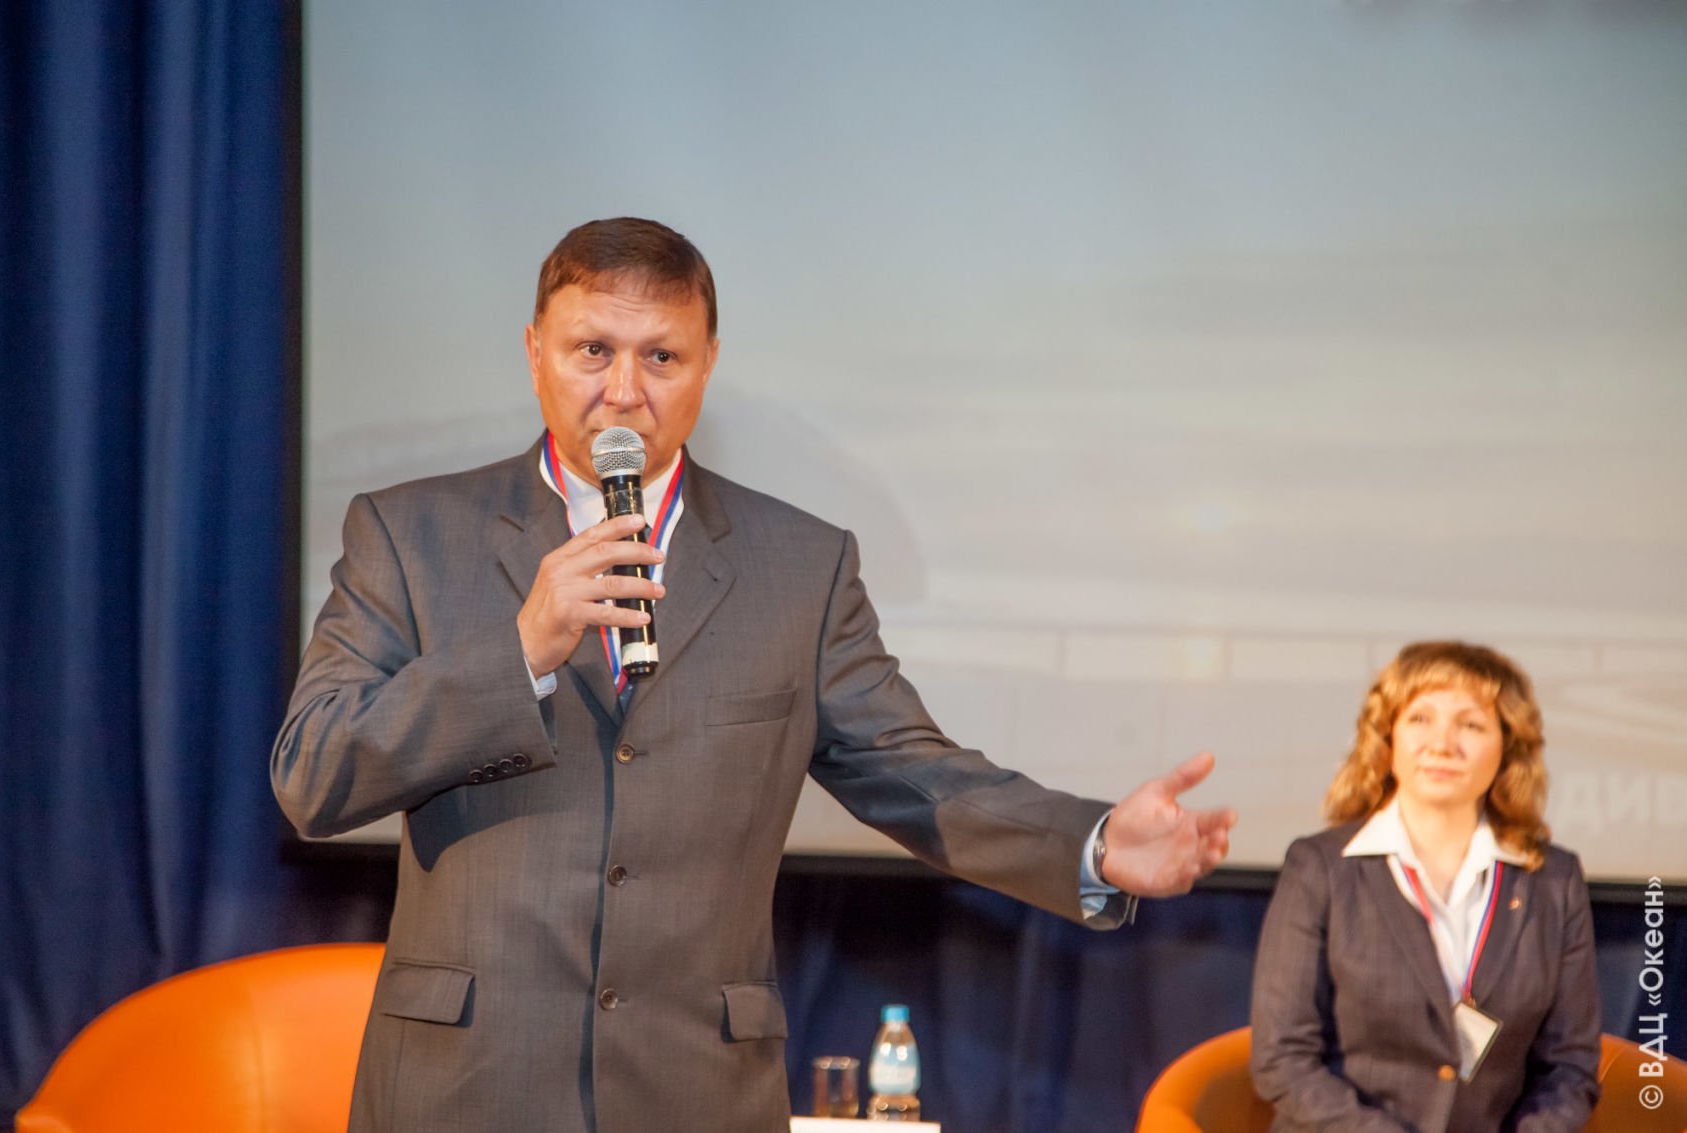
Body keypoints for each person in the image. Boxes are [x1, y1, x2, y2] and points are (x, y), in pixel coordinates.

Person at [272, 217, 1236, 1133]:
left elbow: (915, 772)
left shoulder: (801, 565)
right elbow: (313, 774)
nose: (623, 390)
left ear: (708, 364)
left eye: (661, 357)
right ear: (534, 352)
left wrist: (1093, 842)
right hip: (467, 1085)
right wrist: (519, 649)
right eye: (592, 349)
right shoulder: (408, 534)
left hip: (695, 1084)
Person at [1249, 641, 1600, 1132]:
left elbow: (1569, 1068)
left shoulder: (1554, 881)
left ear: (1508, 746)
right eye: (1419, 719)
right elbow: (1282, 1058)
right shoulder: (1319, 868)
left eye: (1470, 725)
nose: (1442, 744)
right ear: (1387, 737)